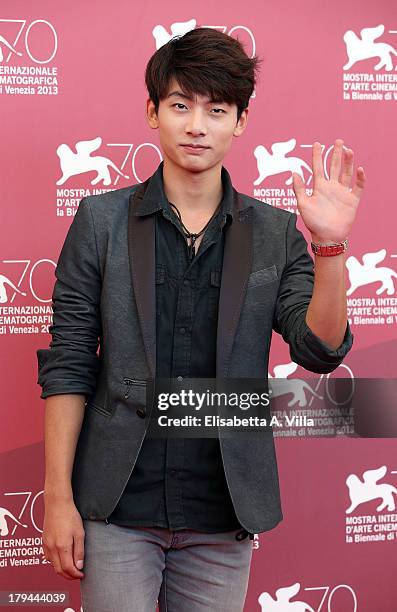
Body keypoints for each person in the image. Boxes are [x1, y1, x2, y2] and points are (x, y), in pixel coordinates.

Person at [36, 27, 365, 612]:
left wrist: (331, 249)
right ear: (152, 112)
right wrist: (57, 496)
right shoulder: (100, 222)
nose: (196, 126)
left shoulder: (274, 234)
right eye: (181, 106)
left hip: (223, 513)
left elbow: (320, 349)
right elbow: (68, 363)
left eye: (217, 110)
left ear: (239, 122)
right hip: (117, 507)